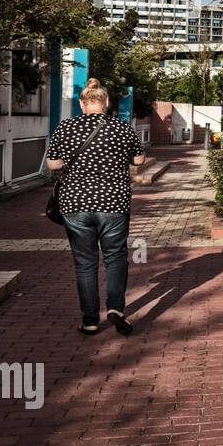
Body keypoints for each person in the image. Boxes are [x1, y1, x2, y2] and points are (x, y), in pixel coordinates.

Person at [45, 77, 146, 337]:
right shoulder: (121, 128)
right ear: (106, 102)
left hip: (75, 203)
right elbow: (138, 159)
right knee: (114, 257)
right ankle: (116, 309)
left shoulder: (66, 127)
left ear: (82, 103)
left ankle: (90, 320)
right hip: (113, 202)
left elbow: (53, 165)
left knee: (85, 262)